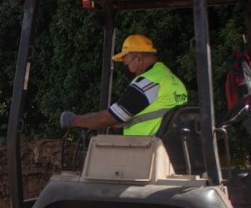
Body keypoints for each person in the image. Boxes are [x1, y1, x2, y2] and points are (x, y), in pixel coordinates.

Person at [60, 34, 188, 136]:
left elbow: (109, 118)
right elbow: (153, 116)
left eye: (126, 63)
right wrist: (94, 120)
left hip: (145, 153)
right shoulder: (173, 81)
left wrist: (76, 120)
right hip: (170, 151)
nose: (126, 68)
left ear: (138, 59)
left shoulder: (147, 84)